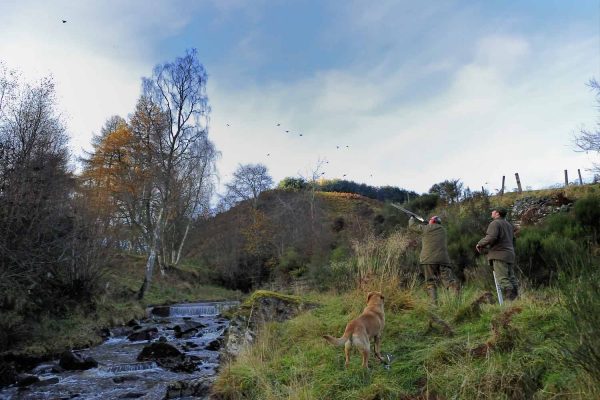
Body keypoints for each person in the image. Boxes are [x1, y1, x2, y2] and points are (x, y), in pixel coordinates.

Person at [409, 215, 459, 304]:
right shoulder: (443, 230)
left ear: (432, 221)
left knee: (430, 282)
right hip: (443, 259)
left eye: (430, 219)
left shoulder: (425, 228)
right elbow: (431, 229)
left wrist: (412, 219)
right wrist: (426, 224)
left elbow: (412, 227)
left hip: (428, 259)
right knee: (449, 281)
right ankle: (456, 303)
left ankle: (434, 304)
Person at [476, 207, 518, 301]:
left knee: (503, 279)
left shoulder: (495, 223)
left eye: (493, 211)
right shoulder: (509, 225)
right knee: (511, 278)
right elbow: (513, 240)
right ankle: (517, 302)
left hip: (499, 255)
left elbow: (491, 237)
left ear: (497, 213)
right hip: (510, 255)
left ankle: (510, 305)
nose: (492, 212)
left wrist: (480, 243)